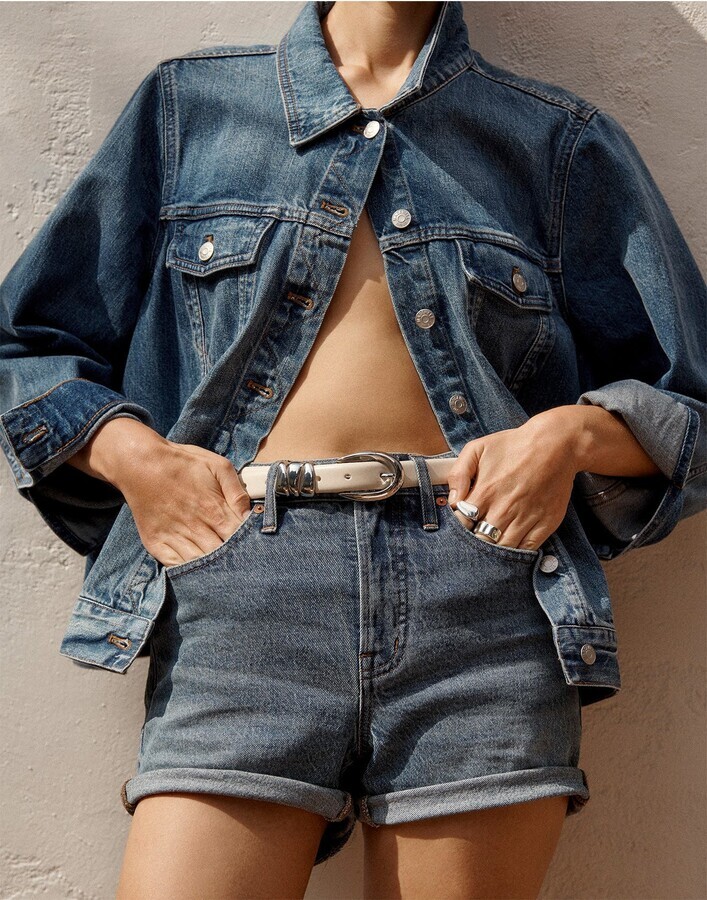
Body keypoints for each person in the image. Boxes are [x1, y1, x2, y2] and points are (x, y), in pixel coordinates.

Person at [0, 1, 704, 897]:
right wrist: (137, 459)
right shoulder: (188, 109)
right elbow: (30, 346)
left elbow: (692, 406)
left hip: (483, 598)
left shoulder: (553, 143)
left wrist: (569, 436)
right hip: (242, 592)